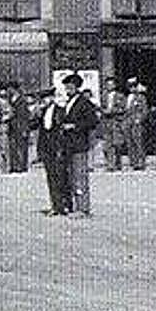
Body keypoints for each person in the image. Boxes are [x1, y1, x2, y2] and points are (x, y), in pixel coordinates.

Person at [59, 73, 100, 217]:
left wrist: (75, 126)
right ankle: (75, 206)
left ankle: (83, 208)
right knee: (71, 177)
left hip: (79, 144)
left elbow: (93, 121)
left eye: (70, 87)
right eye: (66, 87)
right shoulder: (68, 102)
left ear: (77, 87)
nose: (67, 89)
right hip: (68, 144)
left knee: (80, 177)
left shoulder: (84, 102)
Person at [36, 84, 73, 215]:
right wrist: (37, 113)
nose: (44, 101)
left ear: (52, 97)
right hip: (46, 148)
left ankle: (67, 204)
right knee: (51, 177)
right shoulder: (42, 112)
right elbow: (35, 126)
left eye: (46, 98)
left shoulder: (60, 110)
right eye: (42, 99)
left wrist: (62, 148)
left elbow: (61, 130)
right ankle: (56, 205)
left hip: (57, 147)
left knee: (62, 177)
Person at [3, 83, 32, 174]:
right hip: (13, 127)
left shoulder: (22, 100)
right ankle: (14, 166)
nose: (8, 91)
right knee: (13, 147)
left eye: (9, 89)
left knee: (21, 147)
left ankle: (21, 166)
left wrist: (25, 129)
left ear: (14, 89)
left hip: (20, 126)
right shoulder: (11, 99)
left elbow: (24, 116)